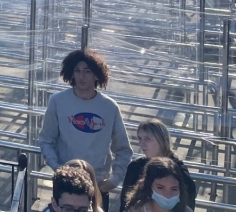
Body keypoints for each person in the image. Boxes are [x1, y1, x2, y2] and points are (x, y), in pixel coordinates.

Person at [38, 49, 131, 212]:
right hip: (65, 186)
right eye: (77, 71)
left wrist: (115, 180)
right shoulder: (57, 101)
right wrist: (58, 168)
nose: (82, 76)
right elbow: (46, 140)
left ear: (97, 75)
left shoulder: (109, 107)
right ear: (71, 73)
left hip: (97, 186)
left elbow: (123, 149)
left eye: (87, 72)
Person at [119, 120, 196, 212]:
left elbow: (187, 203)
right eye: (140, 138)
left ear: (162, 140)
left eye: (148, 139)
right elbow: (125, 203)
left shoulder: (179, 172)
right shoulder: (135, 167)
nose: (141, 144)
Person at [123, 157, 193, 212]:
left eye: (174, 189)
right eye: (160, 188)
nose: (168, 195)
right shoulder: (135, 210)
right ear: (149, 186)